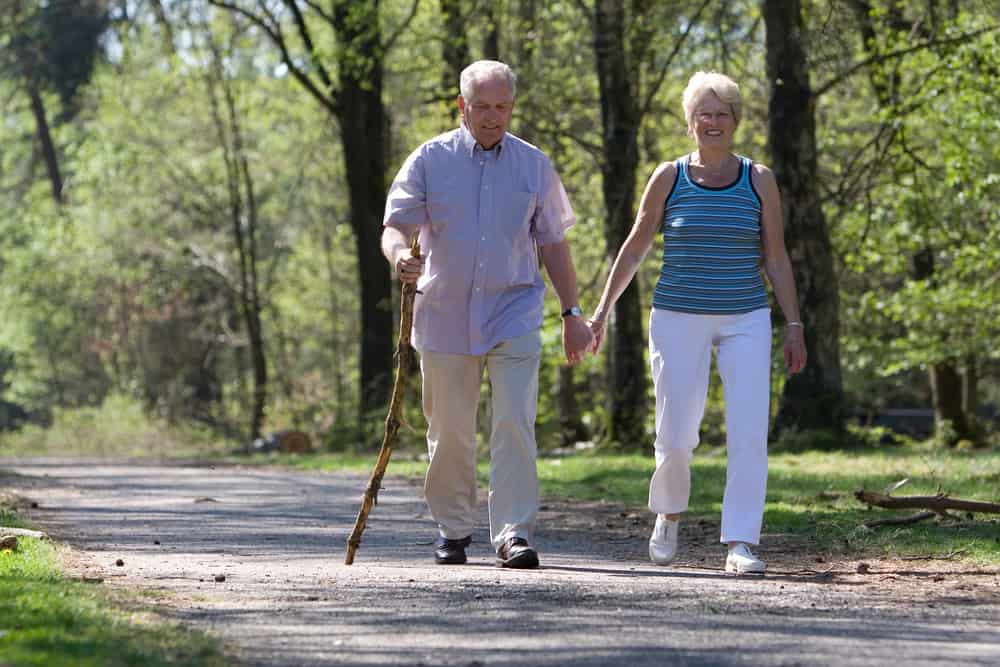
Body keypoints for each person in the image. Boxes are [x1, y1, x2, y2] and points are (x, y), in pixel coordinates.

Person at [587, 71, 807, 574]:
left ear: (735, 121)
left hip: (746, 316)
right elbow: (637, 245)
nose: (713, 121)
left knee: (749, 428)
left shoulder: (759, 179)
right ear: (690, 122)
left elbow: (776, 256)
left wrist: (793, 324)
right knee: (677, 430)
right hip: (678, 316)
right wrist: (601, 311)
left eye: (722, 113)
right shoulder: (669, 177)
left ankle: (741, 542)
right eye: (704, 113)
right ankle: (668, 511)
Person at [381, 60, 593, 569]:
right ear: (462, 106)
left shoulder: (533, 165)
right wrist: (398, 258)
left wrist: (572, 312)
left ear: (511, 107)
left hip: (514, 309)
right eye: (483, 107)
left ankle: (513, 533)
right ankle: (453, 529)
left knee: (515, 422)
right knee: (450, 428)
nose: (493, 117)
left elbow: (554, 245)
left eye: (502, 107)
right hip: (444, 313)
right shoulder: (429, 160)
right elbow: (394, 226)